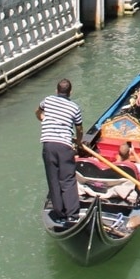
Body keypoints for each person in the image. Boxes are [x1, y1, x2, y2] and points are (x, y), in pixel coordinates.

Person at [37, 78, 83, 226]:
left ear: (56, 91)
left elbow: (37, 112)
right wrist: (78, 142)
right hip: (64, 146)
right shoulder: (74, 107)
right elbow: (79, 128)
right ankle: (73, 215)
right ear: (70, 92)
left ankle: (59, 213)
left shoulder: (48, 100)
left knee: (53, 179)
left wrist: (43, 119)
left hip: (48, 144)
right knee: (67, 179)